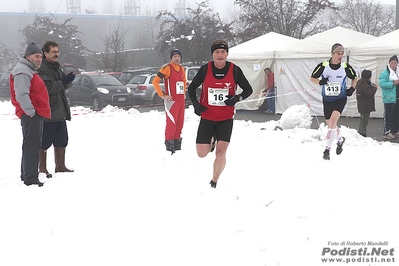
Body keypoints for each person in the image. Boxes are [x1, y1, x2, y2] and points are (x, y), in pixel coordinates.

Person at [188, 40, 253, 188]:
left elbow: (248, 89)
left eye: (223, 52)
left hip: (225, 118)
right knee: (201, 153)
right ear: (213, 54)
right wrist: (196, 105)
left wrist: (237, 98)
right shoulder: (205, 69)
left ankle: (214, 181)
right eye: (217, 52)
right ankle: (212, 139)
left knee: (221, 153)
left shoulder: (234, 70)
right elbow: (191, 89)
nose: (220, 55)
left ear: (227, 54)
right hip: (207, 117)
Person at [10, 42, 51, 186]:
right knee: (32, 146)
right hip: (31, 115)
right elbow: (21, 95)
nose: (39, 59)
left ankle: (27, 174)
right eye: (36, 56)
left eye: (40, 56)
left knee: (31, 145)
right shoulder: (22, 71)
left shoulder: (28, 70)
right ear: (28, 56)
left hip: (33, 114)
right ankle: (31, 178)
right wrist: (32, 113)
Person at [310, 43, 357, 160]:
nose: (340, 56)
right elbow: (312, 78)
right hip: (327, 99)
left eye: (342, 54)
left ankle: (327, 150)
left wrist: (352, 88)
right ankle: (340, 139)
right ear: (332, 54)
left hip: (340, 99)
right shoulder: (323, 65)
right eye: (338, 53)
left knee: (332, 123)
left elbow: (354, 77)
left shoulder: (345, 66)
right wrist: (320, 82)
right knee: (331, 124)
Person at [38, 41, 75, 176]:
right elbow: (47, 88)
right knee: (44, 141)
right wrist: (62, 82)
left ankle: (60, 165)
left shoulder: (57, 68)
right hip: (49, 111)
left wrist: (67, 81)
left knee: (62, 139)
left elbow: (61, 87)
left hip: (60, 111)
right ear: (45, 53)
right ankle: (42, 167)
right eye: (53, 52)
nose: (56, 54)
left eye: (58, 52)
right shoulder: (42, 68)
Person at [152, 49, 186, 154]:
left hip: (181, 101)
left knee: (180, 123)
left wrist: (184, 93)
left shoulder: (182, 69)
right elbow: (155, 81)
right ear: (172, 58)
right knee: (171, 123)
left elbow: (183, 82)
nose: (177, 58)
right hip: (171, 101)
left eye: (178, 56)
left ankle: (177, 144)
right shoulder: (167, 68)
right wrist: (162, 95)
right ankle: (169, 146)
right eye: (175, 56)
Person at [378, 55, 399, 140]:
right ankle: (387, 132)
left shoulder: (398, 72)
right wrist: (393, 84)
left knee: (396, 115)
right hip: (389, 98)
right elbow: (382, 84)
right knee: (388, 115)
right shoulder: (385, 73)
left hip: (397, 98)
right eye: (392, 62)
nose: (393, 64)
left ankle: (395, 130)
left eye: (395, 63)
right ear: (389, 63)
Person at [356, 69, 377, 137]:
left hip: (362, 104)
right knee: (364, 120)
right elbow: (369, 94)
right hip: (366, 104)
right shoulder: (364, 85)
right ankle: (362, 133)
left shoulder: (360, 82)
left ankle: (361, 132)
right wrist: (374, 88)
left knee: (363, 119)